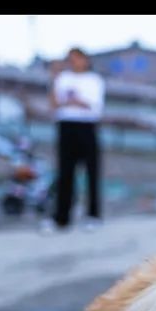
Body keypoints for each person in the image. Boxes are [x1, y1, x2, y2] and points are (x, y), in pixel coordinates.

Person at [42, 47, 105, 233]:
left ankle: (93, 215)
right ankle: (61, 218)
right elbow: (54, 105)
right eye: (70, 59)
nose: (74, 62)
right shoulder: (62, 79)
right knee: (64, 173)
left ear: (85, 60)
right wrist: (53, 78)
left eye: (77, 58)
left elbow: (91, 106)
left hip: (87, 127)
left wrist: (71, 102)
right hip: (66, 127)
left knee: (92, 173)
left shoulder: (94, 80)